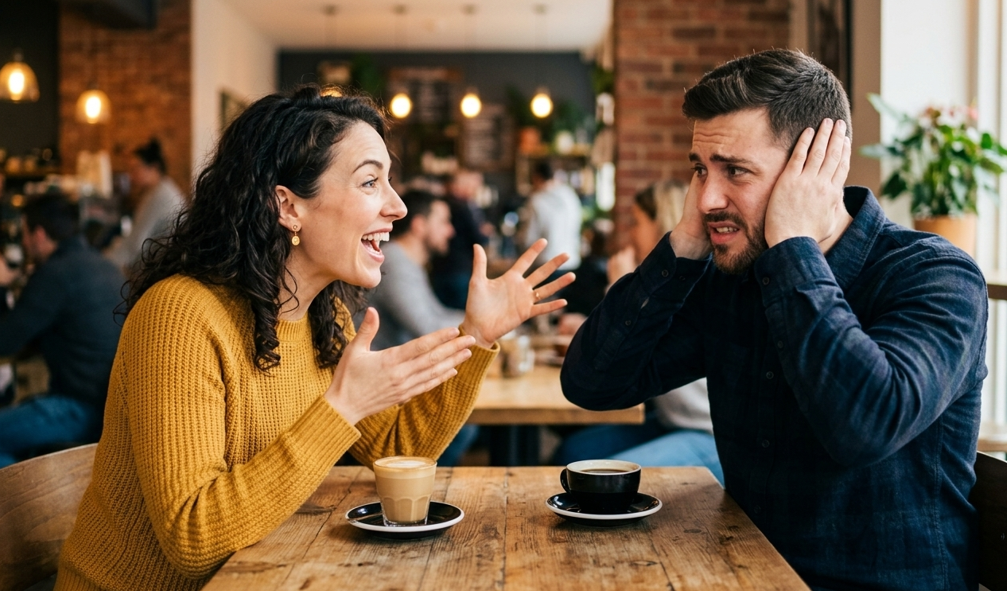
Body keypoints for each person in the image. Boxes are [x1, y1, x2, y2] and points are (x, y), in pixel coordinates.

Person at [56, 86, 574, 591]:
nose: (398, 207)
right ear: (288, 206)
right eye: (370, 182)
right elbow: (193, 537)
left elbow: (400, 449)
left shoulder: (322, 318)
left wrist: (476, 336)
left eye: (389, 182)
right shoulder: (180, 316)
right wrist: (341, 407)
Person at [561, 49, 987, 591]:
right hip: (743, 574)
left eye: (735, 171)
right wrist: (683, 244)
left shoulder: (936, 275)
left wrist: (792, 245)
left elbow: (864, 427)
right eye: (700, 170)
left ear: (815, 170)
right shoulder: (735, 279)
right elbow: (593, 383)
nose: (708, 198)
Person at [552, 181, 721, 484]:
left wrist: (619, 285)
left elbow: (642, 344)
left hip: (707, 432)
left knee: (601, 478)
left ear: (660, 223)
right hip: (668, 421)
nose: (630, 232)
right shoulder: (656, 279)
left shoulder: (687, 282)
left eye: (636, 222)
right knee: (573, 450)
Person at [0, 193, 125, 467]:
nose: (23, 243)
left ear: (39, 235)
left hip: (79, 409)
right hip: (113, 408)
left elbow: (6, 341)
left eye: (24, 234)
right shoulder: (104, 266)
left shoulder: (54, 274)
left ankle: (26, 490)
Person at [368, 189, 476, 465]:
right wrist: (480, 324)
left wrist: (485, 320)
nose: (451, 231)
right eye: (443, 221)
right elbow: (427, 326)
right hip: (382, 384)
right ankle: (423, 479)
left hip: (400, 376)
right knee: (465, 427)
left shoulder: (408, 262)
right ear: (419, 225)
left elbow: (436, 314)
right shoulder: (394, 262)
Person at [104, 137, 186, 273]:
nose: (131, 176)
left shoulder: (160, 195)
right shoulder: (160, 190)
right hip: (162, 264)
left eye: (135, 168)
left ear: (154, 167)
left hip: (161, 268)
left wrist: (103, 262)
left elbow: (135, 244)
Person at [431, 169, 490, 310]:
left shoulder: (440, 204)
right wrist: (485, 232)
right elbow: (479, 237)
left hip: (439, 268)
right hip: (459, 268)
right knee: (460, 314)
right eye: (468, 184)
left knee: (442, 311)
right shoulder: (463, 208)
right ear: (456, 185)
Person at [517, 160, 582, 273]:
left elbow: (529, 238)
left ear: (536, 177)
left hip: (547, 264)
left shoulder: (537, 200)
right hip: (571, 261)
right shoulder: (570, 195)